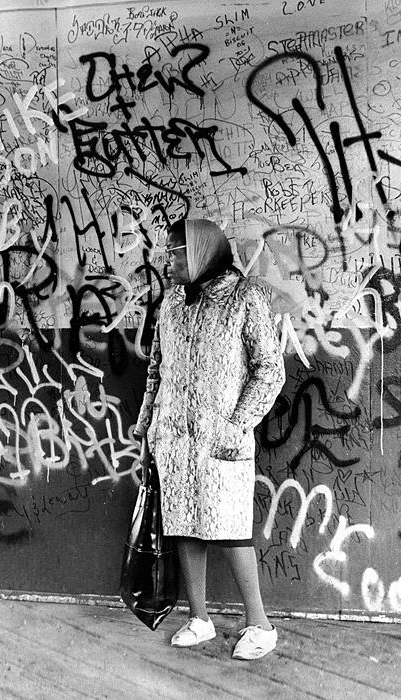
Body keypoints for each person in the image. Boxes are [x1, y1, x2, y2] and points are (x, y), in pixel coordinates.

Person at [134, 218, 286, 660]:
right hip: (174, 438)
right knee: (184, 526)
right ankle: (199, 618)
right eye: (167, 251)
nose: (169, 260)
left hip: (222, 441)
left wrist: (237, 425)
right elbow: (157, 370)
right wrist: (147, 429)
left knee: (232, 530)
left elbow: (269, 370)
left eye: (177, 251)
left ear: (201, 251)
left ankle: (259, 625)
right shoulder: (172, 304)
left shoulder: (244, 297)